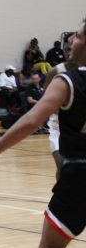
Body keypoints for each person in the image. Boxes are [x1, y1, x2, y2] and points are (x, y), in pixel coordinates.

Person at [0, 18, 86, 248]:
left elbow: (33, 120)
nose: (72, 41)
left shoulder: (68, 81)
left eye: (77, 35)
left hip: (80, 174)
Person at [43, 41, 76, 180]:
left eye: (71, 49)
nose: (69, 52)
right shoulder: (55, 71)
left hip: (78, 126)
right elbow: (45, 99)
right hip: (57, 125)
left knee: (75, 170)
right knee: (62, 165)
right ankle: (59, 196)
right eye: (66, 49)